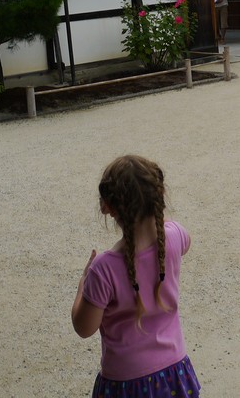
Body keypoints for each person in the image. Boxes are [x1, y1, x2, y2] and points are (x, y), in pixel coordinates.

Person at [72, 154, 201, 397]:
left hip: (126, 384)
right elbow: (186, 241)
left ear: (107, 207)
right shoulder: (175, 237)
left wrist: (82, 286)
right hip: (173, 372)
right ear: (159, 197)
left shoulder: (103, 269)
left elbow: (84, 327)